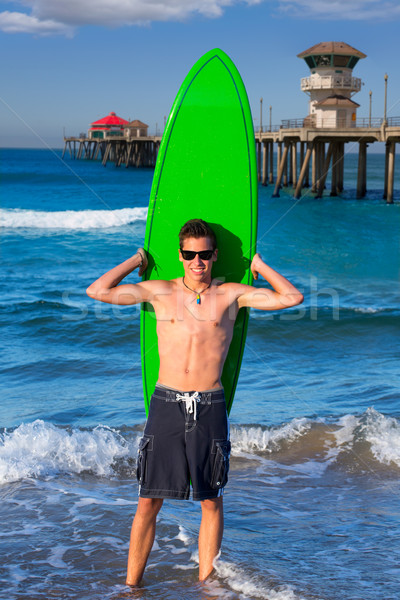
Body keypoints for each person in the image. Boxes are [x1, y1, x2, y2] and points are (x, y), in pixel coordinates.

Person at [86, 218, 303, 586]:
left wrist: (260, 266)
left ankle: (208, 586)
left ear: (215, 255)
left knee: (210, 500)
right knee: (148, 500)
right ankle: (131, 586)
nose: (197, 261)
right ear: (181, 255)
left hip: (210, 404)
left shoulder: (232, 294)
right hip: (166, 403)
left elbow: (292, 298)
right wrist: (136, 258)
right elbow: (98, 291)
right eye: (190, 254)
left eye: (204, 254)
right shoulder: (159, 291)